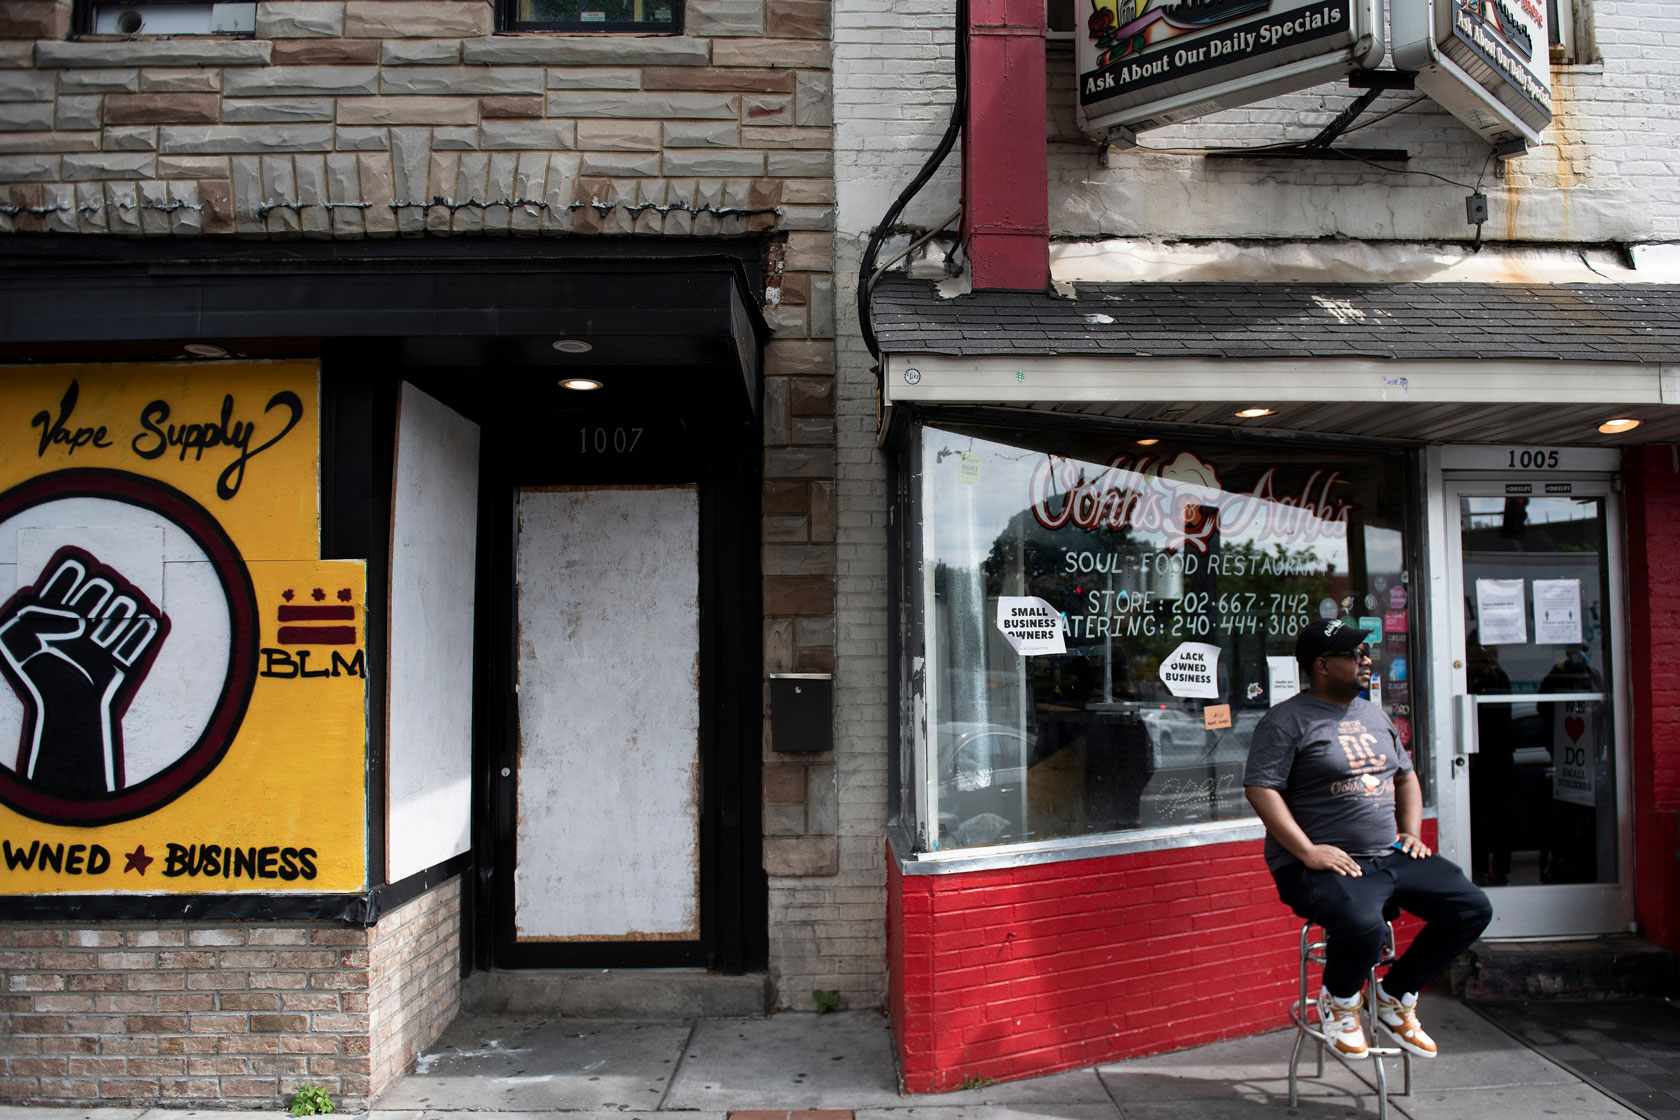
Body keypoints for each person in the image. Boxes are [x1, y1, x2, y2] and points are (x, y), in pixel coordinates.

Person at [1244, 619, 1492, 1061]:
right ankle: (1339, 1002)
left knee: (1471, 907)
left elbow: (1406, 777)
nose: (1365, 660)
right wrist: (1306, 851)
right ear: (1321, 665)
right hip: (1319, 865)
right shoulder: (1285, 721)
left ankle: (1395, 995)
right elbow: (1261, 788)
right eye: (1353, 654)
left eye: (1365, 652)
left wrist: (1411, 833)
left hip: (1387, 856)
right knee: (1366, 925)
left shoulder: (1374, 713)